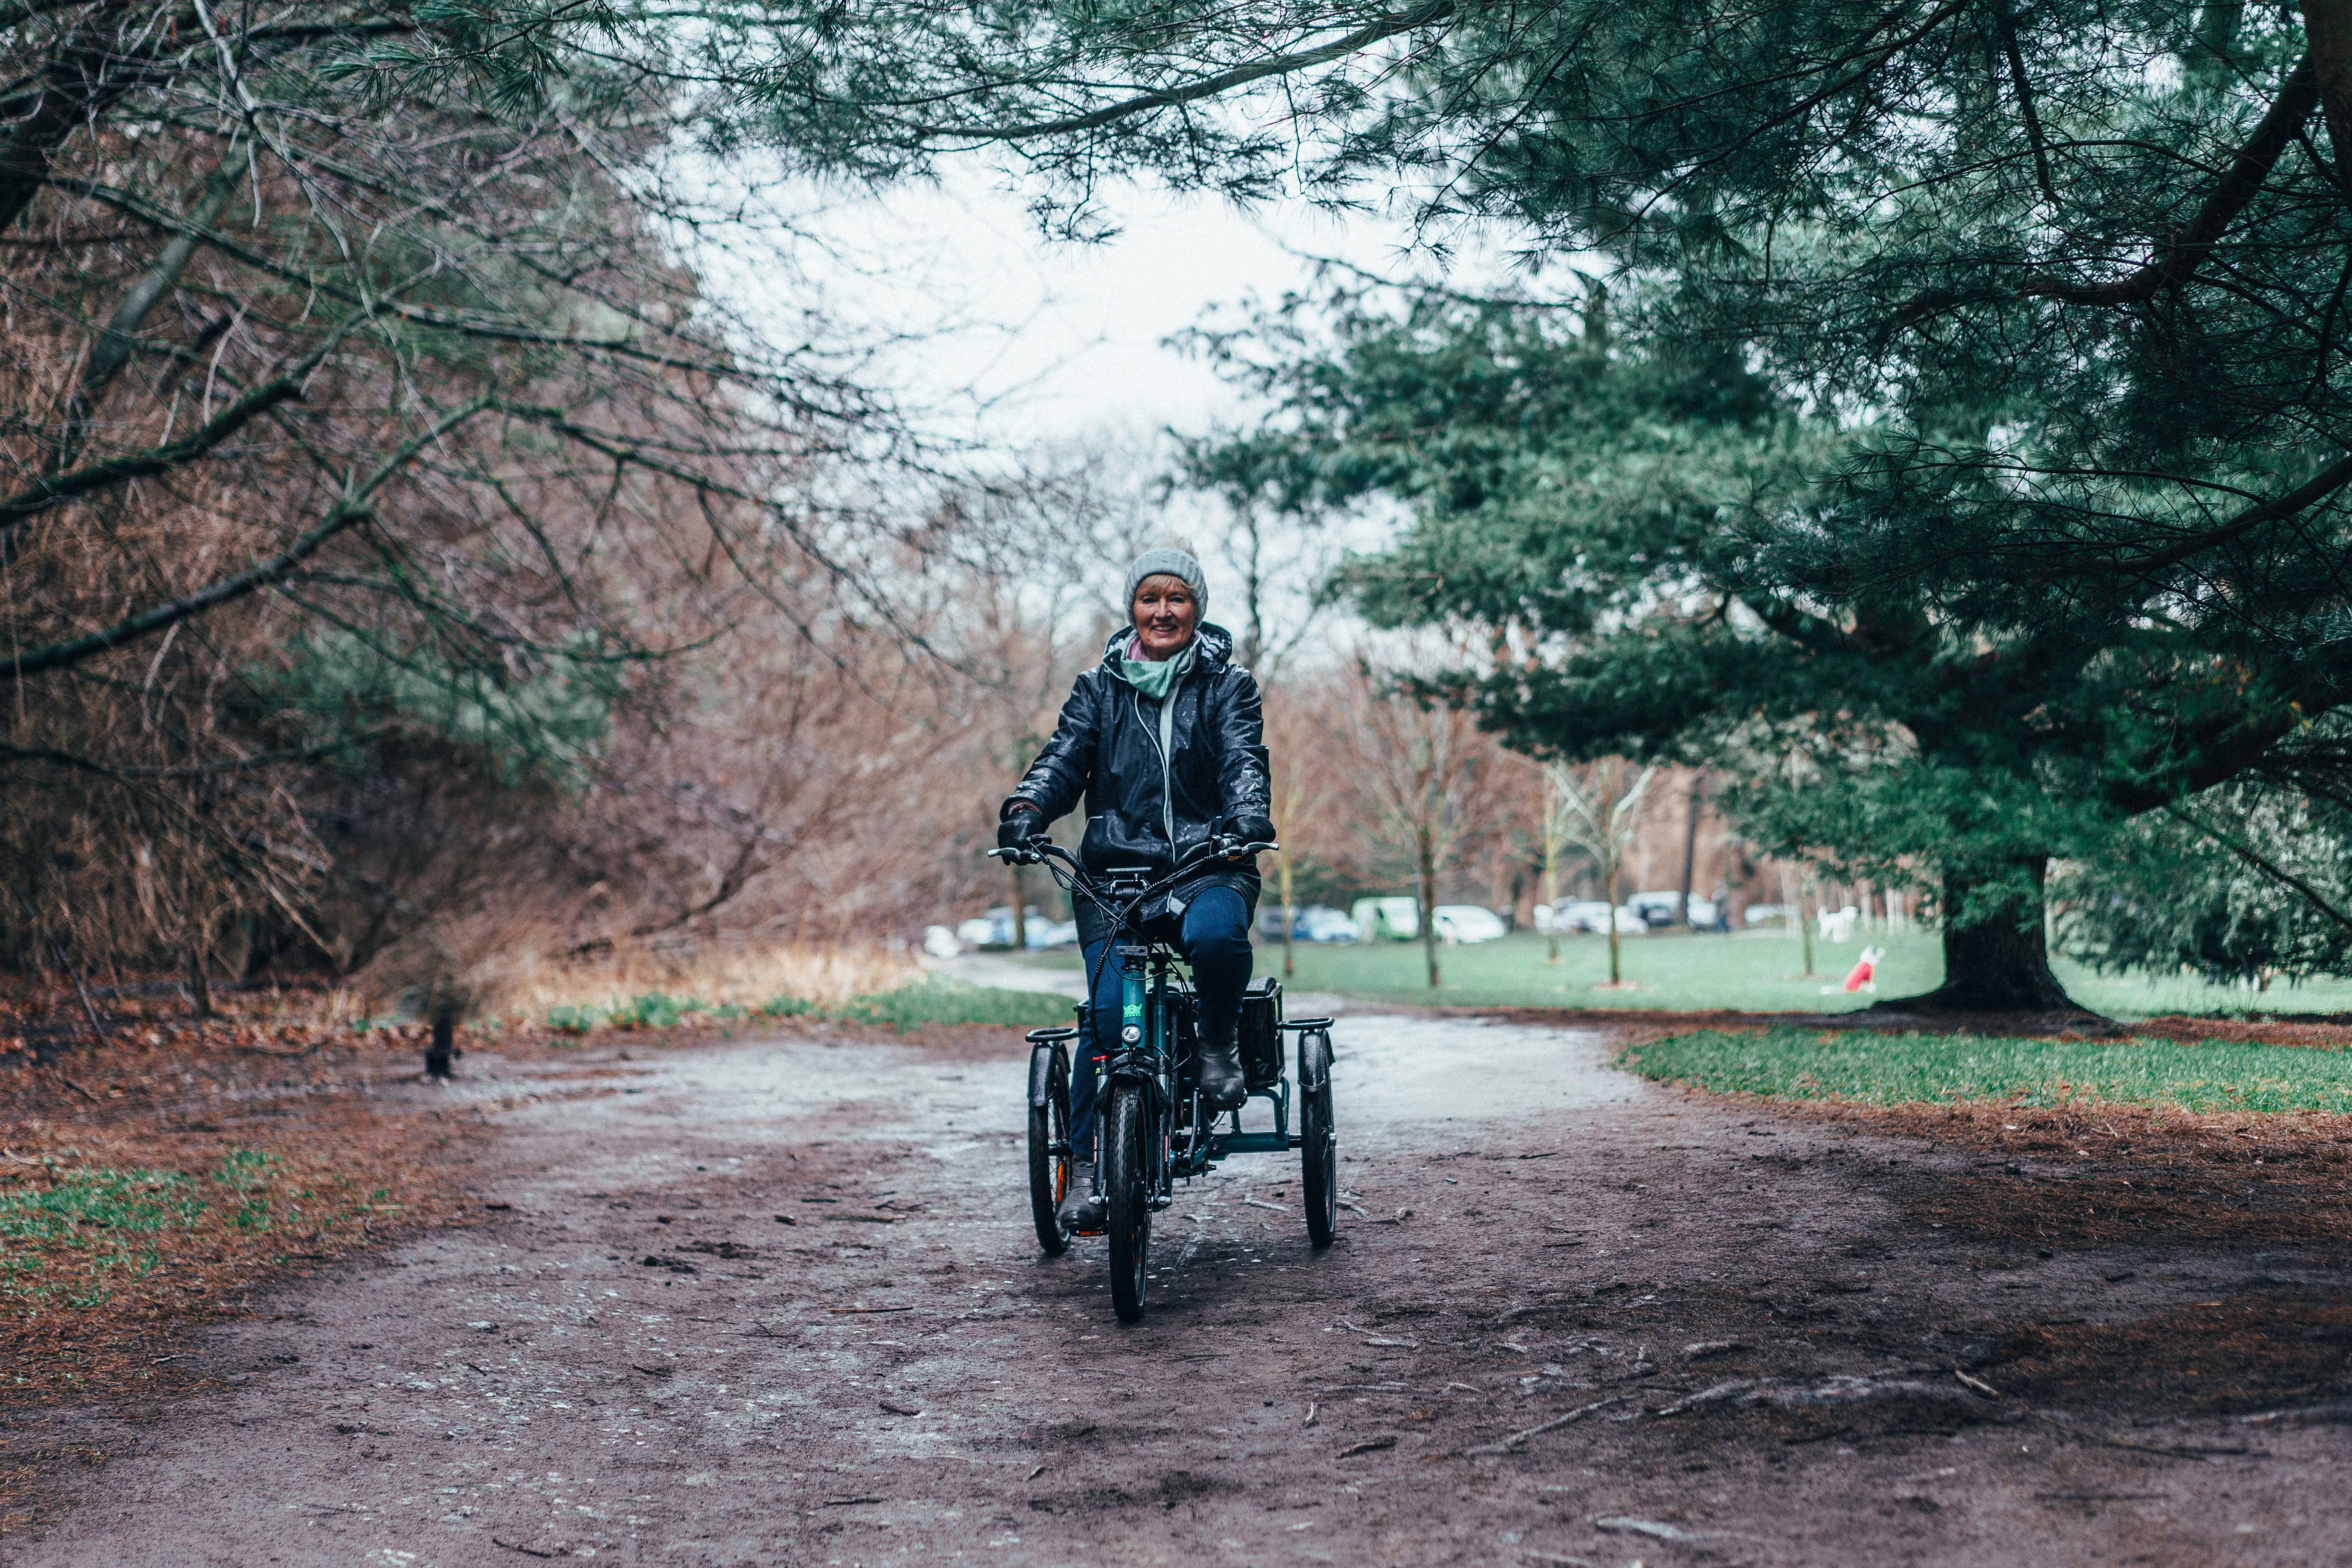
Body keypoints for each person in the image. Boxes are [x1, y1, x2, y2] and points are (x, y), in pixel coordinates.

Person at [996, 547, 1275, 1231]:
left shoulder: (1228, 687)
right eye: (1150, 598)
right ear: (1132, 608)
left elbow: (1244, 759)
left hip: (1210, 863)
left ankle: (1214, 1043)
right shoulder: (1098, 688)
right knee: (1106, 1014)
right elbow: (1064, 758)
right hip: (1115, 876)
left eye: (1176, 598)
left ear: (1196, 609)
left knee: (1215, 938)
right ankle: (1093, 1168)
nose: (1162, 611)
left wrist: (1245, 820)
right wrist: (1028, 810)